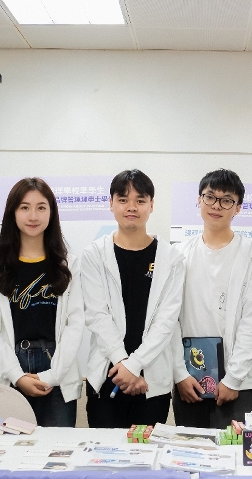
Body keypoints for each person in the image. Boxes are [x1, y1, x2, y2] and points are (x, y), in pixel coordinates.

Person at [79, 169, 184, 428]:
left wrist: (134, 365)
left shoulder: (171, 258)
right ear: (111, 203)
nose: (131, 207)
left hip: (151, 382)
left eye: (140, 200)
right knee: (104, 452)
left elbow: (166, 321)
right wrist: (124, 364)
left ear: (151, 205)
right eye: (123, 199)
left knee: (148, 452)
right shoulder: (94, 255)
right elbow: (97, 315)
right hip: (108, 376)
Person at [0, 177, 83, 427]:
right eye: (24, 207)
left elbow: (75, 323)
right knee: (7, 446)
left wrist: (52, 375)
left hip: (57, 368)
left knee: (56, 447)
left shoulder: (68, 265)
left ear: (51, 213)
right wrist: (16, 375)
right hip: (10, 368)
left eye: (41, 207)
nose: (33, 216)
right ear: (13, 213)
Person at [169, 169, 252, 428]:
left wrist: (233, 379)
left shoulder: (251, 255)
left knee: (236, 451)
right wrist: (179, 374)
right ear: (199, 200)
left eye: (227, 200)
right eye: (210, 197)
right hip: (189, 382)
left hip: (237, 385)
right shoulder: (179, 254)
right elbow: (169, 320)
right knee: (190, 449)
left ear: (238, 208)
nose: (216, 206)